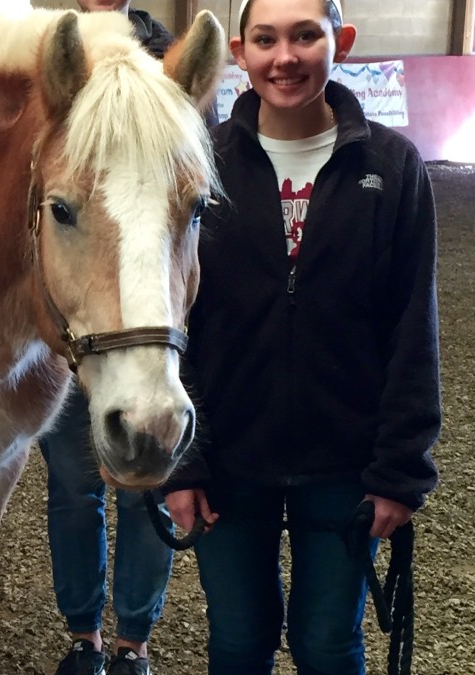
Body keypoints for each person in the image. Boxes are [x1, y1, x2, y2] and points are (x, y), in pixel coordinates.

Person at [163, 0, 441, 673]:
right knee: (238, 637)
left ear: (339, 41)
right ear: (240, 51)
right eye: (266, 39)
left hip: (344, 465)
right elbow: (174, 317)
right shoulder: (201, 166)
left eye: (304, 36)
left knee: (327, 643)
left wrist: (400, 469)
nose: (283, 56)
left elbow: (413, 327)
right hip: (229, 457)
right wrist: (182, 459)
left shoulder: (394, 167)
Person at [40, 4, 183, 675]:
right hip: (78, 324)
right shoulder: (49, 63)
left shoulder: (165, 66)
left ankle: (133, 639)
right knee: (73, 487)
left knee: (142, 487)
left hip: (145, 321)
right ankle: (83, 634)